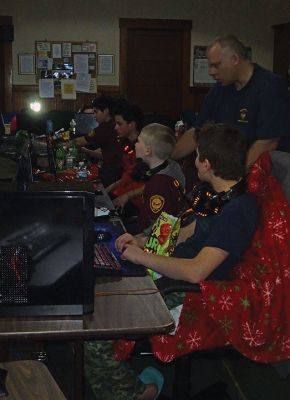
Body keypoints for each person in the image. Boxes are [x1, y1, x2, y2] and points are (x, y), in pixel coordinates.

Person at [84, 122, 258, 400]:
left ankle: (140, 394)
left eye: (197, 155)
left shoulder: (237, 211)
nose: (194, 161)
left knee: (94, 340)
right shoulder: (216, 195)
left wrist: (144, 256)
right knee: (96, 293)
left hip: (189, 294)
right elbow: (184, 230)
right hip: (166, 274)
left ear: (206, 163)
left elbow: (196, 272)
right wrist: (141, 240)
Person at [172, 35, 290, 167]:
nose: (211, 72)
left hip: (268, 173)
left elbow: (268, 142)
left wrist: (233, 177)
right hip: (231, 169)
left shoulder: (270, 86)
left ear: (234, 59)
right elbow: (198, 132)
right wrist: (167, 158)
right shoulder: (219, 90)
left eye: (216, 65)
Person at [130, 123, 186, 232]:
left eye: (138, 141)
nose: (135, 144)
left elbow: (155, 225)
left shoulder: (160, 183)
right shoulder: (171, 166)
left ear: (148, 151)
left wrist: (136, 240)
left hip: (151, 241)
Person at [106, 102, 145, 219]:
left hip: (138, 203)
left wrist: (127, 196)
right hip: (125, 194)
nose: (115, 127)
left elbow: (155, 182)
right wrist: (109, 188)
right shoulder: (126, 143)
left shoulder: (145, 148)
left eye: (119, 124)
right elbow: (129, 174)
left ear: (132, 125)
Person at [74, 96, 122, 187]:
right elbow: (103, 153)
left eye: (96, 111)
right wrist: (85, 150)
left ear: (106, 111)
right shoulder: (111, 124)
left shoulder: (105, 128)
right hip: (115, 169)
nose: (94, 115)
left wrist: (63, 143)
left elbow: (79, 142)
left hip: (112, 172)